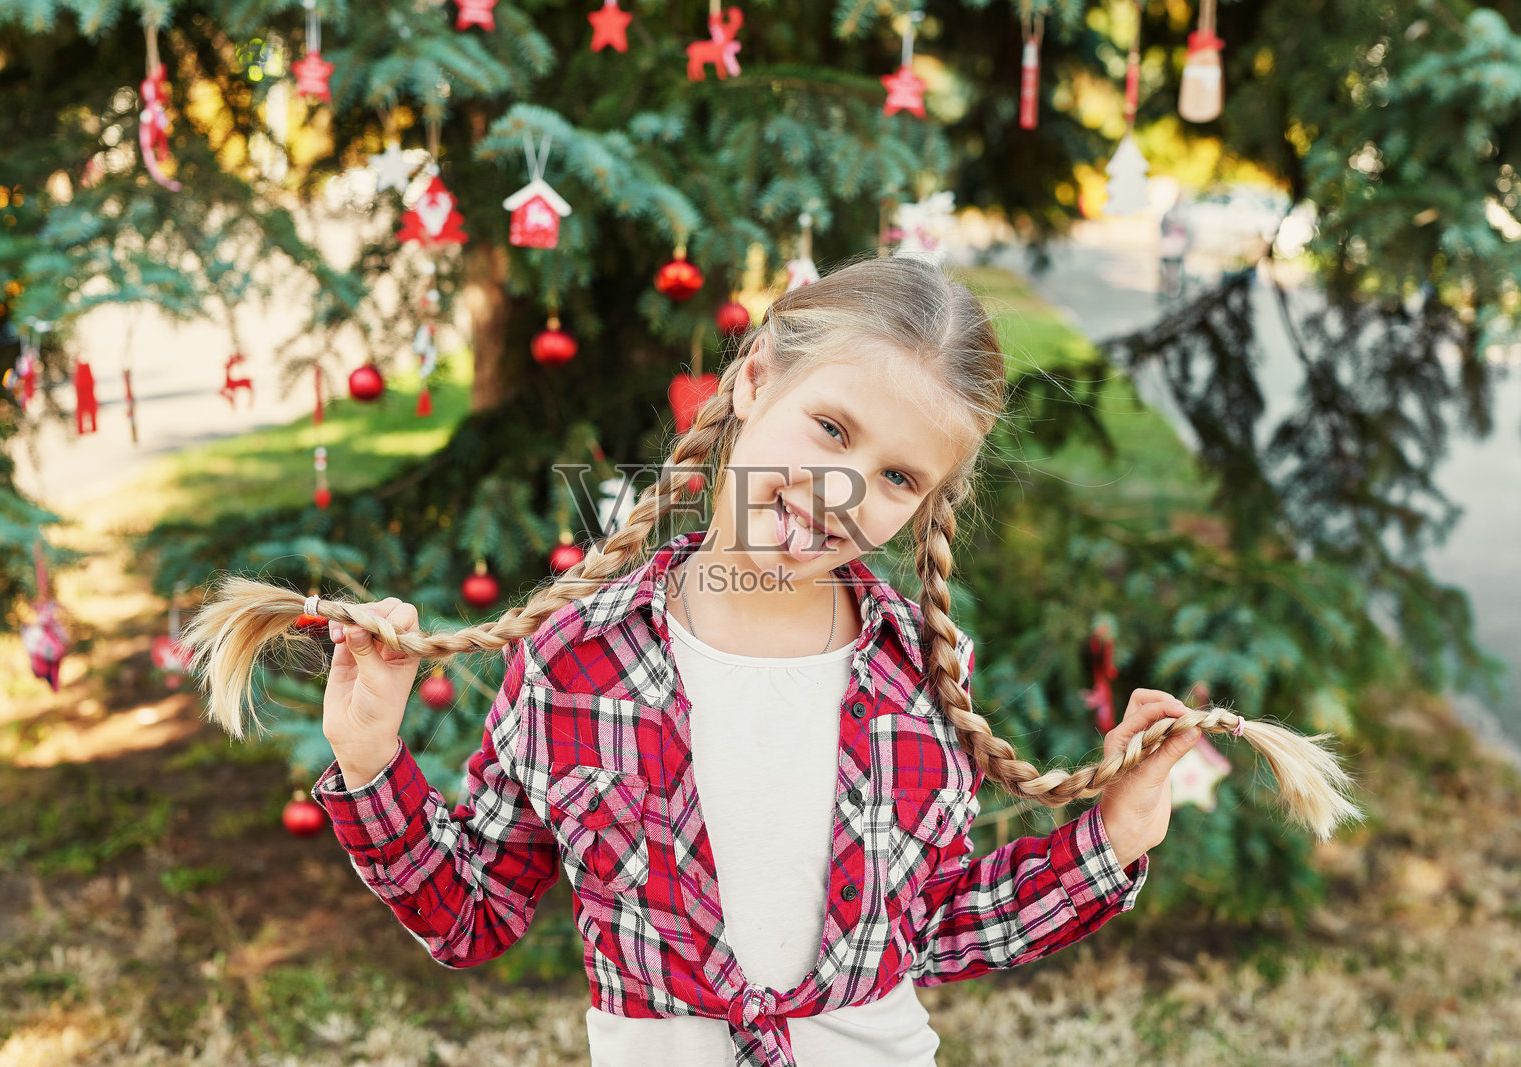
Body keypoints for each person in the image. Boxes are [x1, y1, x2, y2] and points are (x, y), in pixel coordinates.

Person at [181, 254, 1360, 1067]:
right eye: (831, 428)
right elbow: (474, 916)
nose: (844, 488)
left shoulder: (912, 679)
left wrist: (1116, 831)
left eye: (899, 476)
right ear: (754, 385)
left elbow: (943, 923)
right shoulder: (575, 661)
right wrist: (370, 753)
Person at [1158, 196, 1192, 301]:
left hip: (1176, 247)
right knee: (1171, 270)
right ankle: (1171, 289)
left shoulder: (1181, 215)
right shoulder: (1171, 214)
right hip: (1171, 247)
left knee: (1173, 270)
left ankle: (1173, 289)